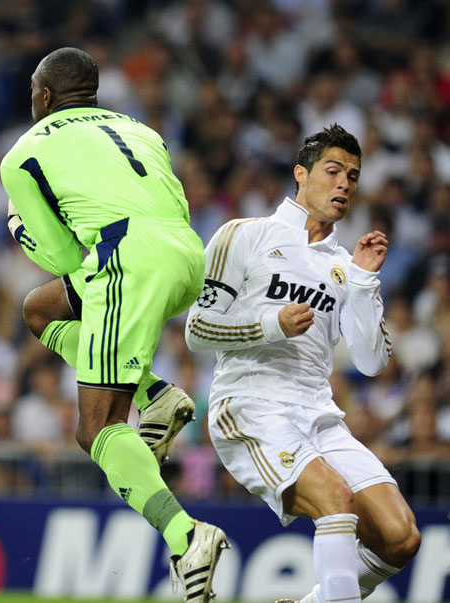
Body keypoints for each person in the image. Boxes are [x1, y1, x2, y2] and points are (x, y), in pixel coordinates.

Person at [0, 47, 228, 601]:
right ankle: (158, 395)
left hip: (127, 261)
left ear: (44, 96)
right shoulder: (139, 128)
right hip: (185, 256)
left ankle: (187, 537)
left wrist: (21, 230)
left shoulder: (24, 154)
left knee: (96, 427)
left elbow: (62, 258)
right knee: (40, 309)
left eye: (34, 90)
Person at [185, 124, 421, 603]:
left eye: (353, 176)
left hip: (318, 416)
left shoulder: (341, 265)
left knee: (400, 538)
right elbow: (197, 330)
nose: (344, 184)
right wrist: (271, 325)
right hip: (250, 406)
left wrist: (360, 281)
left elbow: (373, 363)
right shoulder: (244, 235)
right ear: (301, 174)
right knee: (335, 500)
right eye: (333, 171)